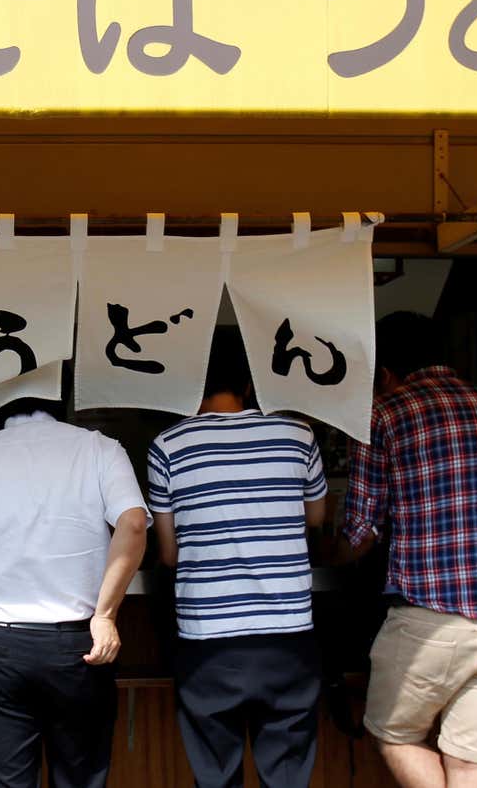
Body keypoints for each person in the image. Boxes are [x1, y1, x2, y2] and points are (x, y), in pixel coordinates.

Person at [335, 312, 477, 788]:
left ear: (384, 372)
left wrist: (331, 555)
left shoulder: (384, 412)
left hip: (431, 619)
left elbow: (361, 531)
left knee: (395, 734)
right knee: (471, 759)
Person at [0, 398, 150, 788]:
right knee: (80, 777)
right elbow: (134, 523)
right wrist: (104, 615)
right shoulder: (100, 448)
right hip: (78, 644)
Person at [148, 334, 329, 788]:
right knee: (287, 775)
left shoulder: (168, 446)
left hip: (207, 640)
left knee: (216, 774)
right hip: (289, 636)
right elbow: (317, 516)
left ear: (190, 383)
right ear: (250, 384)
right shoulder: (298, 434)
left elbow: (168, 554)